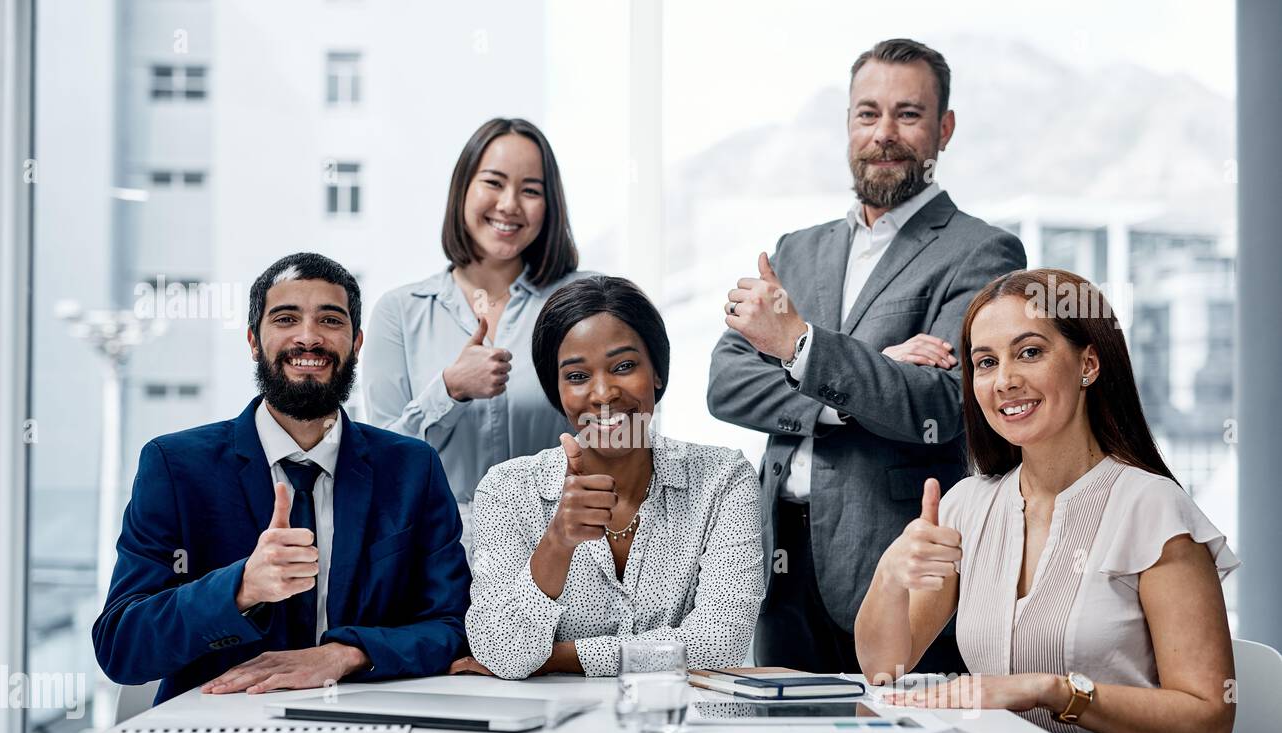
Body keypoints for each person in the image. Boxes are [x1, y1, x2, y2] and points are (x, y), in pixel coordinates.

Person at [856, 268, 1257, 733]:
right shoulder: (968, 504)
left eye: (1030, 352)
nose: (1005, 381)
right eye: (986, 362)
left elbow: (1208, 721)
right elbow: (884, 669)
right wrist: (890, 575)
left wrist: (1054, 691)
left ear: (1088, 365)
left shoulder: (1153, 509)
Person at [93, 252, 471, 733]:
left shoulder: (411, 468)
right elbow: (122, 646)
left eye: (331, 320)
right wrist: (242, 587)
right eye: (286, 318)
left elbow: (451, 625)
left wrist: (345, 653)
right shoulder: (176, 467)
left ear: (356, 343)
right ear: (253, 340)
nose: (309, 337)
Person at [707, 38, 1025, 675]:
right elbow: (727, 383)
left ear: (945, 129)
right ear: (848, 124)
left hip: (897, 559)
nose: (885, 133)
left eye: (908, 114)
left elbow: (942, 402)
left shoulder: (982, 253)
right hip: (778, 557)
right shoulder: (796, 251)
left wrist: (799, 347)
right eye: (867, 113)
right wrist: (867, 374)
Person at [453, 276, 764, 679]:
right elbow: (503, 653)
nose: (603, 394)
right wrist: (558, 542)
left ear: (656, 372)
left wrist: (558, 657)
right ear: (558, 390)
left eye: (624, 366)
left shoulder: (723, 480)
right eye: (578, 376)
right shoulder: (508, 490)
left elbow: (720, 645)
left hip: (679, 729)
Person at [364, 117, 589, 552]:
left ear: (551, 204)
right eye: (493, 182)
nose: (509, 205)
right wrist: (447, 390)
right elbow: (377, 466)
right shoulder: (400, 312)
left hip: (563, 560)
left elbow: (628, 437)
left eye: (531, 190)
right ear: (463, 188)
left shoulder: (584, 303)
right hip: (435, 568)